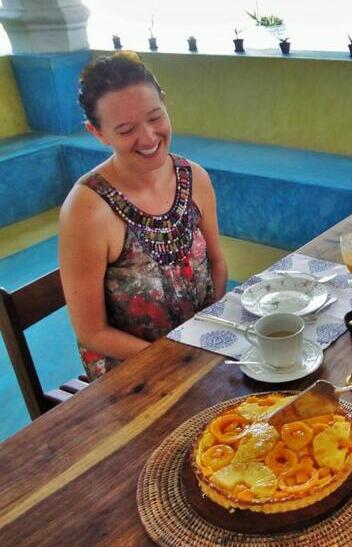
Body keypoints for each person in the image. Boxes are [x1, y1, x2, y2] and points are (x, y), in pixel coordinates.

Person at [59, 51, 227, 379]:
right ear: (98, 132)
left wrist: (208, 336)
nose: (149, 137)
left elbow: (217, 264)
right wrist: (175, 357)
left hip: (200, 353)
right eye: (125, 130)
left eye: (155, 117)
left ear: (164, 102)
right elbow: (91, 331)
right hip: (133, 375)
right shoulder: (87, 209)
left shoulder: (194, 178)